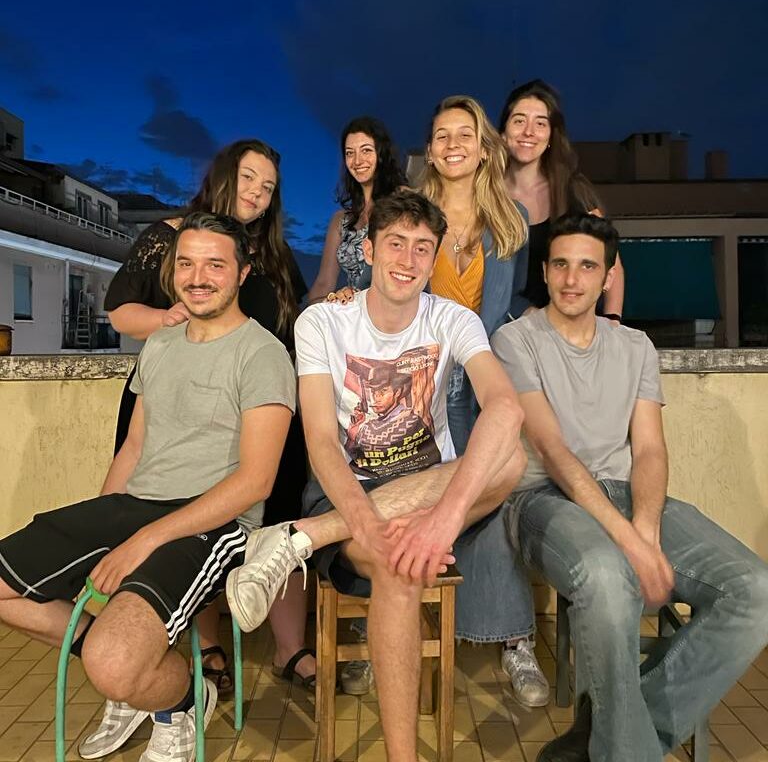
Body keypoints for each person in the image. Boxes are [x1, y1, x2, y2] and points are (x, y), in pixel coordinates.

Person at [226, 191, 528, 762]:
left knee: (511, 456)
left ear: (434, 258)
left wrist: (441, 523)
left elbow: (506, 408)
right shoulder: (323, 321)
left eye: (422, 248)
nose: (408, 260)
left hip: (430, 493)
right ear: (368, 250)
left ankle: (299, 539)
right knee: (398, 568)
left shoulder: (453, 319)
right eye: (396, 243)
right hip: (348, 491)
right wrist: (364, 523)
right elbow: (320, 441)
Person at [0, 213, 297, 762]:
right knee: (40, 610)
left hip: (214, 522)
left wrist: (144, 541)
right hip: (135, 504)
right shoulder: (160, 345)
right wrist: (104, 523)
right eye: (186, 263)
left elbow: (255, 481)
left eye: (215, 265)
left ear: (242, 273)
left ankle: (178, 700)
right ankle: (135, 676)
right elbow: (134, 448)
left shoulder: (262, 354)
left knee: (113, 664)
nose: (198, 277)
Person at [492, 213, 768, 762]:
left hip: (627, 493)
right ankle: (623, 747)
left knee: (756, 590)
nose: (572, 279)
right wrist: (633, 544)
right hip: (544, 499)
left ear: (608, 274)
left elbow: (650, 449)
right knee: (607, 575)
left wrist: (645, 525)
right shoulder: (514, 340)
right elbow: (552, 449)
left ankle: (610, 735)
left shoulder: (635, 345)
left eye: (587, 266)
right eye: (560, 265)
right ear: (544, 272)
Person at [104, 139, 316, 697]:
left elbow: (299, 316)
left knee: (280, 519)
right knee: (191, 511)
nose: (257, 193)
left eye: (268, 187)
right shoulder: (170, 236)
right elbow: (120, 311)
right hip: (182, 400)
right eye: (248, 178)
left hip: (263, 403)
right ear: (223, 176)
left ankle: (291, 648)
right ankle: (207, 647)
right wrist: (170, 318)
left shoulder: (270, 253)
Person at [420, 94, 549, 706]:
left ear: (483, 148)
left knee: (492, 492)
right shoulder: (413, 212)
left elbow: (515, 297)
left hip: (480, 380)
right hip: (420, 379)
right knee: (404, 489)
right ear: (430, 149)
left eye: (464, 134)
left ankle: (513, 639)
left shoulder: (510, 219)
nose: (453, 145)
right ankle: (379, 623)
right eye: (442, 135)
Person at [499, 79, 625, 319]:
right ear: (503, 133)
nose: (528, 131)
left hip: (572, 323)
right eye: (519, 121)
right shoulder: (486, 194)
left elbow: (611, 262)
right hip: (509, 326)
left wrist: (613, 320)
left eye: (540, 123)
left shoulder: (573, 191)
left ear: (550, 136)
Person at [307, 116, 407, 303]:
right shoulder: (340, 220)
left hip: (394, 309)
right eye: (350, 153)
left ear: (381, 153)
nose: (357, 160)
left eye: (366, 150)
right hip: (352, 310)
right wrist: (327, 303)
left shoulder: (403, 201)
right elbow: (324, 283)